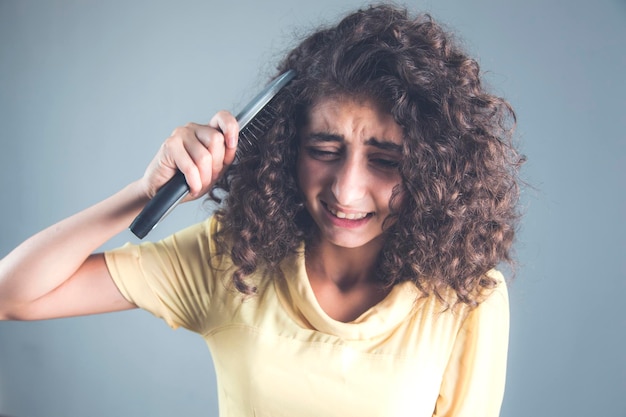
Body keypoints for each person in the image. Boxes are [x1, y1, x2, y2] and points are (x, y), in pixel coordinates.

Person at [0, 4, 524, 417]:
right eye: (324, 150)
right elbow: (12, 294)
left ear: (434, 171)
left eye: (385, 161)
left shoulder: (466, 297)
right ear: (286, 148)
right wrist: (143, 191)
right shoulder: (233, 256)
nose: (346, 190)